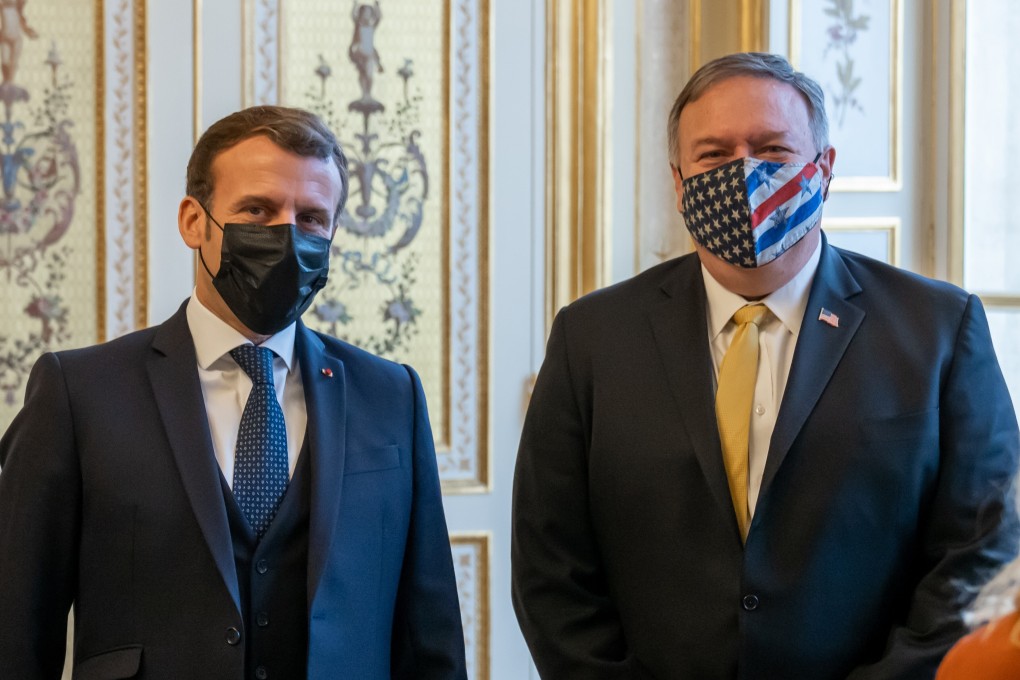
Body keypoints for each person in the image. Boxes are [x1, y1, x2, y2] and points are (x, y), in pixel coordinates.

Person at [512, 52, 1020, 679]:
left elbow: (984, 550)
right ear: (678, 182)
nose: (743, 174)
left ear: (824, 170)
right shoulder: (591, 337)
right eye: (714, 155)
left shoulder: (939, 329)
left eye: (773, 151)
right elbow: (551, 565)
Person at [0, 105, 467, 679]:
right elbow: (17, 626)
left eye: (313, 218)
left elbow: (430, 632)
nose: (286, 236)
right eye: (257, 209)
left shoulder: (391, 395)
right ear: (194, 221)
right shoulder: (79, 393)